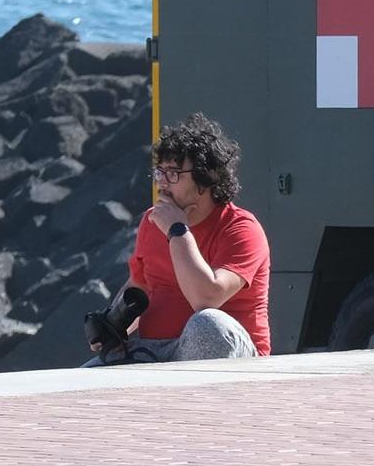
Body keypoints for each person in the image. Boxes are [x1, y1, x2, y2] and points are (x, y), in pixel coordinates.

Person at [85, 112, 272, 364]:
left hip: (229, 354)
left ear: (208, 178)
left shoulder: (240, 228)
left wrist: (177, 230)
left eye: (173, 174)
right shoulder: (152, 222)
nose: (162, 183)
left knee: (207, 324)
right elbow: (140, 286)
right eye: (159, 172)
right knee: (78, 381)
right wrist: (112, 324)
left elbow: (206, 298)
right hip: (155, 351)